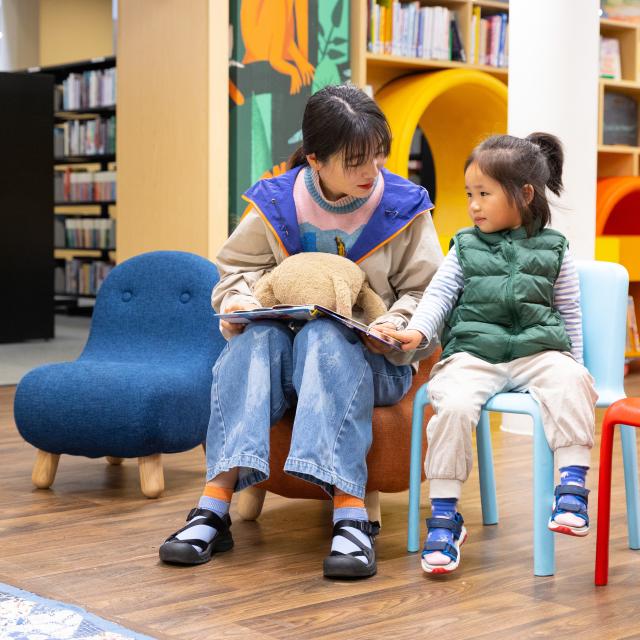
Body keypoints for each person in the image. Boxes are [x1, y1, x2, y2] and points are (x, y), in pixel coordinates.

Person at [158, 84, 444, 579]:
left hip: (377, 364)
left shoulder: (404, 205)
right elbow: (235, 270)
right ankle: (213, 506)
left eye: (377, 155)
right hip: (281, 359)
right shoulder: (276, 201)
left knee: (325, 338)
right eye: (355, 160)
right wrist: (240, 300)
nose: (370, 171)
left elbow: (430, 292)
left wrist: (397, 323)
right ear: (315, 159)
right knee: (259, 339)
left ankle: (351, 517)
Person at [386, 132, 598, 575]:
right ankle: (445, 517)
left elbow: (570, 312)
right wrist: (418, 331)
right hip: (475, 354)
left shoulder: (555, 248)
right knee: (454, 403)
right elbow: (439, 296)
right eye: (469, 195)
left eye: (484, 194)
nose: (474, 205)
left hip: (539, 350)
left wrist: (575, 364)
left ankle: (572, 489)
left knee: (573, 380)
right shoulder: (465, 246)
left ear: (524, 194)